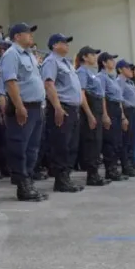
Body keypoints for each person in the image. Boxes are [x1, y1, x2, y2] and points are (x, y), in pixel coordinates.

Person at [0, 24, 49, 201]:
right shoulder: (11, 55)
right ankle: (22, 185)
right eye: (28, 33)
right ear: (17, 36)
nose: (31, 36)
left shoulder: (30, 56)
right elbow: (10, 82)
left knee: (32, 148)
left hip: (36, 107)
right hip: (24, 107)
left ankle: (28, 181)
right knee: (20, 146)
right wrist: (19, 106)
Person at [41, 34, 84, 193]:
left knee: (71, 145)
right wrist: (58, 107)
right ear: (54, 45)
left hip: (72, 108)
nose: (67, 45)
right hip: (61, 107)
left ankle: (66, 177)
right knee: (61, 145)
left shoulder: (66, 63)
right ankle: (61, 180)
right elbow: (49, 84)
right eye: (63, 42)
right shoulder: (51, 61)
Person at [74, 46, 110, 186]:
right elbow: (82, 94)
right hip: (90, 107)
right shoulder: (82, 72)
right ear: (84, 57)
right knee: (91, 142)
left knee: (97, 142)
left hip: (97, 107)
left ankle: (95, 173)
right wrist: (89, 114)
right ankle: (92, 174)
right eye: (92, 55)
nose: (95, 57)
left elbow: (101, 95)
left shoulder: (91, 73)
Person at [98, 53, 132, 180]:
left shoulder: (112, 78)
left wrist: (123, 116)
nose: (113, 62)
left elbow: (119, 99)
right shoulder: (101, 77)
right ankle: (110, 170)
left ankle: (115, 169)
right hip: (109, 108)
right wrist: (105, 115)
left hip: (117, 109)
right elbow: (102, 97)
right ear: (104, 63)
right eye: (111, 60)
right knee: (110, 142)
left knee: (117, 141)